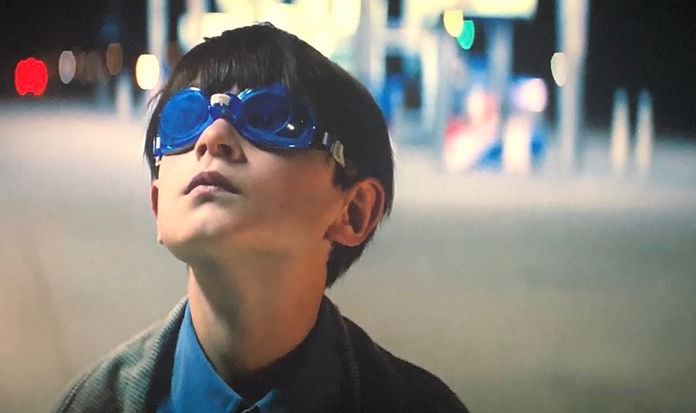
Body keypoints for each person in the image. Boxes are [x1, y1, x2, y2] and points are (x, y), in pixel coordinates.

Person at [54, 23, 467, 413]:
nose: (212, 138)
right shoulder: (91, 404)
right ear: (159, 204)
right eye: (183, 120)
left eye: (271, 118)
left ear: (354, 210)